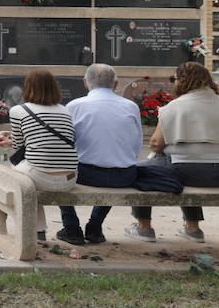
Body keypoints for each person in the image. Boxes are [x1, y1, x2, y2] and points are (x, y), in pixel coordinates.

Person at [56, 64, 184, 246]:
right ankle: (95, 226)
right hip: (124, 176)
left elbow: (66, 143)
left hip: (86, 175)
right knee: (115, 163)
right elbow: (136, 145)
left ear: (86, 82)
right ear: (115, 84)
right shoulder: (130, 106)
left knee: (56, 170)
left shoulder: (75, 106)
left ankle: (71, 227)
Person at [126, 62, 219, 243]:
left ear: (183, 81)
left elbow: (156, 143)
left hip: (188, 170)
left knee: (139, 171)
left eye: (175, 79)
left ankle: (144, 227)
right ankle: (193, 228)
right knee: (187, 166)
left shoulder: (177, 105)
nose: (174, 83)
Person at [0, 69, 77, 243]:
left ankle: (35, 231)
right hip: (69, 178)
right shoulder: (65, 110)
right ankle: (38, 233)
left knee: (11, 178)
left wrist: (8, 140)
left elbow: (18, 147)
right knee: (30, 176)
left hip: (40, 175)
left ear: (28, 87)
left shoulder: (18, 110)